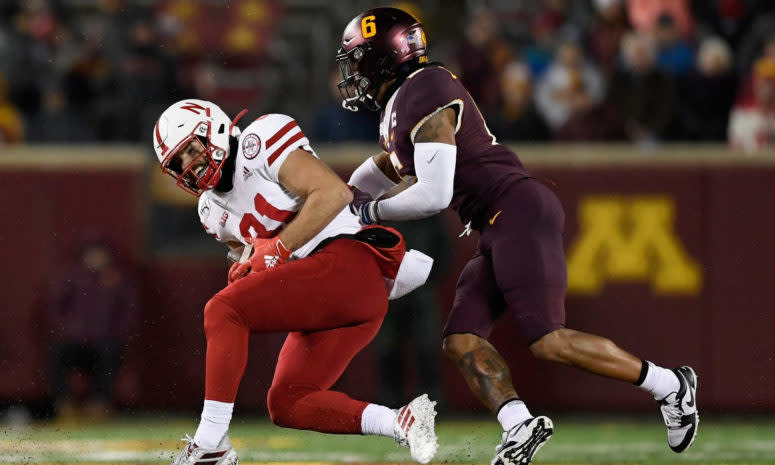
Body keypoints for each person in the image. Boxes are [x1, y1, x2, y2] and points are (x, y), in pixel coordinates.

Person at [335, 8, 699, 465]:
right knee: (462, 339)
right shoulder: (404, 102)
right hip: (497, 221)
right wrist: (340, 201)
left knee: (548, 339)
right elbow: (385, 167)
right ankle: (520, 426)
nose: (352, 71)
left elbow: (432, 193)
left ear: (384, 55)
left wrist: (367, 211)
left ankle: (670, 385)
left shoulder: (424, 88)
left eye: (358, 58)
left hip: (516, 209)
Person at [152, 99, 438, 465]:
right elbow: (255, 255)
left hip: (351, 263)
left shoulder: (261, 138)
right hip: (334, 298)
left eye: (192, 149)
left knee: (223, 309)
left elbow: (333, 193)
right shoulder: (210, 211)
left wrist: (277, 247)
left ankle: (211, 442)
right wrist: (247, 266)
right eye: (178, 163)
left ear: (217, 129)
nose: (190, 166)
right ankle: (401, 422)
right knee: (288, 402)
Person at [47, 236, 138, 418]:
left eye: (99, 254)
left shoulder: (118, 280)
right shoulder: (72, 278)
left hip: (104, 343)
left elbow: (130, 312)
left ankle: (99, 404)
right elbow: (56, 308)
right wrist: (68, 330)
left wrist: (115, 333)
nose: (96, 258)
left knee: (110, 354)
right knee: (56, 354)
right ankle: (65, 405)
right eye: (92, 254)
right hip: (75, 342)